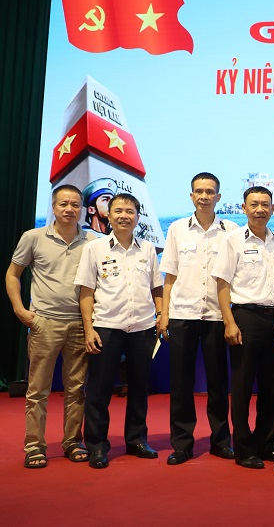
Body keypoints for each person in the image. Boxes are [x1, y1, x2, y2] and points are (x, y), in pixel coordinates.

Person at [6, 185, 94, 468]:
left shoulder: (92, 241)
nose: (69, 209)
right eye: (63, 204)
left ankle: (73, 442)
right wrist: (21, 311)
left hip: (79, 324)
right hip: (44, 323)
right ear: (53, 207)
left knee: (76, 390)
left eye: (75, 204)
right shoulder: (33, 237)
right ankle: (34, 446)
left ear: (82, 209)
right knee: (38, 390)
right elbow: (12, 274)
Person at [74, 193, 163, 469]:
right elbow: (86, 292)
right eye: (119, 211)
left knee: (139, 388)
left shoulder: (147, 249)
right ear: (108, 216)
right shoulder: (95, 249)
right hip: (106, 327)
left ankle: (137, 440)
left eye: (130, 211)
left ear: (137, 217)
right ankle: (97, 446)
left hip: (142, 328)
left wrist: (161, 315)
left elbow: (156, 287)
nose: (124, 216)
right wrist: (89, 329)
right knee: (99, 390)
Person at [158, 172, 238, 465]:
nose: (204, 196)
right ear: (191, 195)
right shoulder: (177, 229)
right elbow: (170, 275)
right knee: (181, 383)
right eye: (199, 191)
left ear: (219, 196)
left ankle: (221, 441)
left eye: (210, 191)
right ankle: (182, 443)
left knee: (218, 382)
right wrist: (164, 314)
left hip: (217, 315)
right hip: (183, 314)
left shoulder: (231, 230)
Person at [212, 186, 274, 469]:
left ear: (272, 209)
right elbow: (222, 283)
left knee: (273, 385)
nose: (260, 210)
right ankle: (244, 448)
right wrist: (229, 322)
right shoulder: (232, 240)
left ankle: (266, 443)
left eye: (265, 204)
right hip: (245, 317)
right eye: (254, 204)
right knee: (242, 386)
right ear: (244, 208)